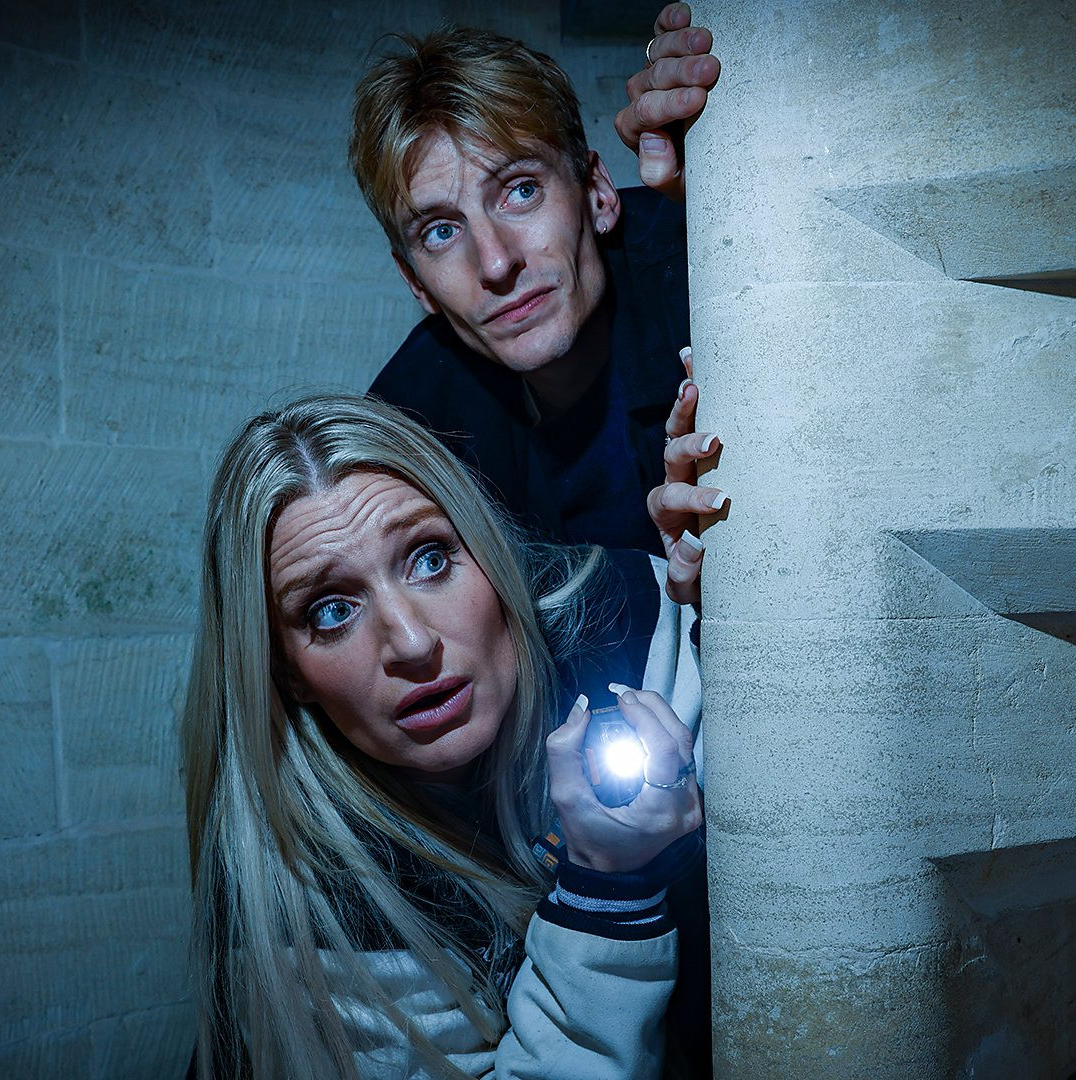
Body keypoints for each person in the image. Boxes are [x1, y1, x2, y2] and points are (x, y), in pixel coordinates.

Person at [184, 394, 708, 1078]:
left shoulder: (629, 628)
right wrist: (605, 893)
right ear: (287, 673)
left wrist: (738, 609)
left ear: (490, 553)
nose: (410, 641)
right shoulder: (303, 895)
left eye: (429, 559)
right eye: (332, 610)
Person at [350, 7, 723, 565]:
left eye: (521, 191)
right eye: (441, 231)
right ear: (416, 283)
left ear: (597, 194)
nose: (496, 262)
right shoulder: (409, 435)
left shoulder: (708, 271)